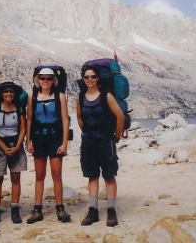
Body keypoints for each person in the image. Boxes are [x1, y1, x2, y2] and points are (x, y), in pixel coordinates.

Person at [76, 65, 124, 227]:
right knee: (92, 175)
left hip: (105, 140)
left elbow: (120, 117)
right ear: (83, 79)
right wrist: (88, 133)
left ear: (98, 79)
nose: (90, 80)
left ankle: (111, 210)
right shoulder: (81, 96)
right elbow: (80, 118)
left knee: (109, 175)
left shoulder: (106, 96)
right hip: (89, 141)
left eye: (93, 77)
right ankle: (93, 210)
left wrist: (116, 136)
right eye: (87, 77)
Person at [25, 67, 71, 224]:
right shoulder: (32, 97)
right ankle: (37, 208)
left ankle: (60, 208)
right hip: (38, 138)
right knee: (39, 175)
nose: (45, 81)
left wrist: (65, 143)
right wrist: (28, 140)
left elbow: (65, 120)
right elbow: (29, 119)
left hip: (55, 138)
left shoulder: (60, 96)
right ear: (37, 80)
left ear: (54, 80)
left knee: (57, 175)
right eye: (42, 78)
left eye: (49, 78)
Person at [0, 82, 28, 224]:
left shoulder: (19, 108)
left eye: (11, 92)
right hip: (0, 146)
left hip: (15, 144)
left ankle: (15, 210)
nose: (8, 94)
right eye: (6, 92)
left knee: (16, 178)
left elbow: (23, 129)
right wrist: (3, 147)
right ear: (1, 94)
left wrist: (17, 146)